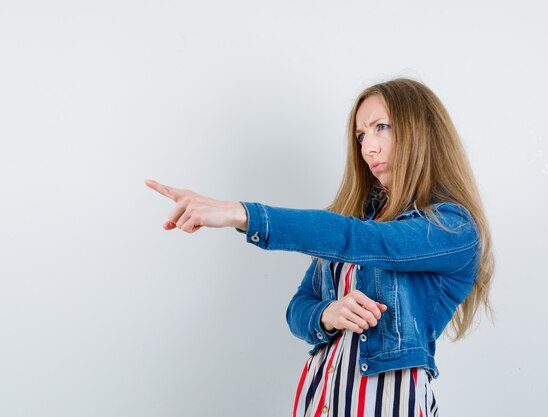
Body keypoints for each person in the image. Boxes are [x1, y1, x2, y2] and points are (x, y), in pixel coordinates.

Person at [145, 77, 494, 417]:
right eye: (361, 135)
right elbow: (299, 307)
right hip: (320, 397)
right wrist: (329, 314)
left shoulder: (453, 227)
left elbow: (366, 241)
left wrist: (243, 214)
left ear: (421, 130)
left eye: (381, 127)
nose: (367, 147)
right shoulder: (357, 216)